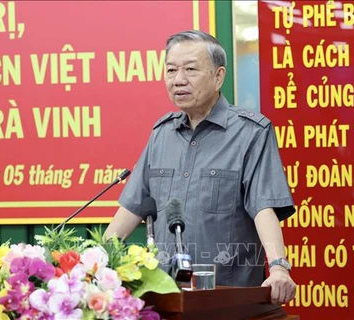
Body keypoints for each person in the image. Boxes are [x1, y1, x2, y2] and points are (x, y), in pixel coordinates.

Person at [105, 30, 296, 304]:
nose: (178, 80)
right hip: (165, 298)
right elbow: (132, 208)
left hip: (228, 299)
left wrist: (278, 267)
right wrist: (95, 265)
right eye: (171, 70)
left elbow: (263, 206)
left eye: (191, 70)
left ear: (219, 76)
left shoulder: (250, 133)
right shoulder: (162, 133)